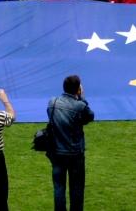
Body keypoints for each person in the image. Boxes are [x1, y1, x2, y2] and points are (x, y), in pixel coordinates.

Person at [48, 74, 94, 211]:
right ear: (78, 90)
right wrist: (83, 99)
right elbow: (90, 117)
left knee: (59, 187)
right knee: (77, 188)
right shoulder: (80, 106)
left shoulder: (52, 102)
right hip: (75, 154)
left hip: (56, 152)